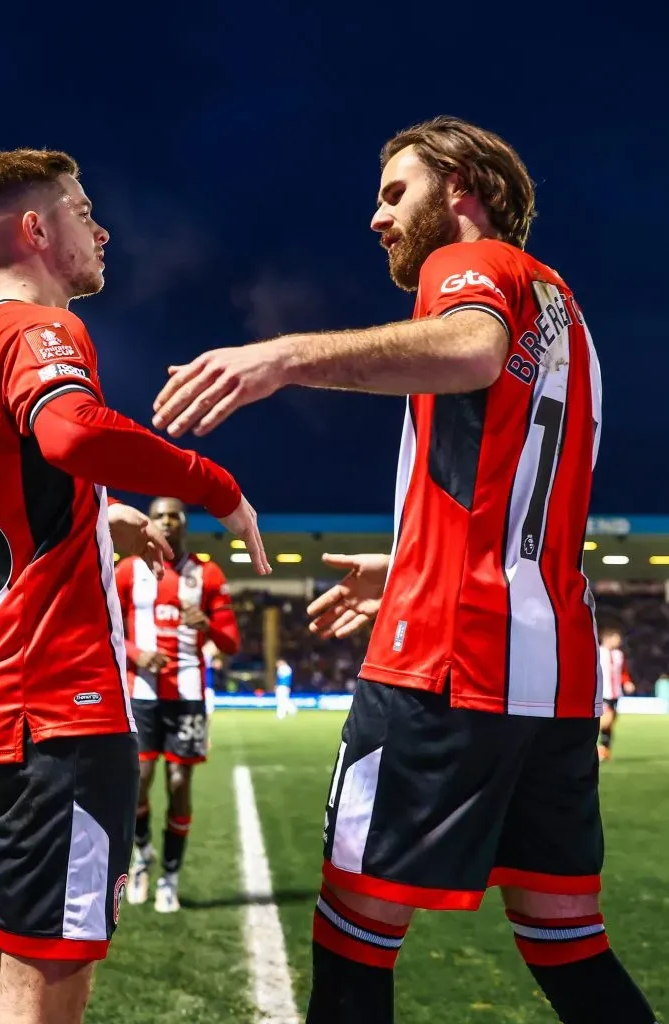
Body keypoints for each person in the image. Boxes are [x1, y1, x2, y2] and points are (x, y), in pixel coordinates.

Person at [151, 117, 657, 1023]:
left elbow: (470, 348)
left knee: (353, 938)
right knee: (568, 943)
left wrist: (282, 358)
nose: (377, 218)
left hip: (447, 662)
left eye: (395, 193)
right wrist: (408, 560)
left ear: (460, 185)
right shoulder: (567, 311)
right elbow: (523, 502)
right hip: (555, 680)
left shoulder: (467, 269)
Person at [0, 147, 270, 1024]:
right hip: (59, 717)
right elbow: (71, 432)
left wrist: (92, 516)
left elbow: (4, 498)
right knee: (43, 996)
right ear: (35, 231)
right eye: (81, 210)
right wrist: (213, 484)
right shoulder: (42, 330)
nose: (102, 228)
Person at [115, 497, 240, 913]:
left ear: (185, 524)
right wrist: (135, 653)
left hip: (188, 695)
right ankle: (142, 854)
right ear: (148, 523)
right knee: (138, 780)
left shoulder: (207, 574)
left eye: (174, 516)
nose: (166, 522)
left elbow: (231, 641)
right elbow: (104, 624)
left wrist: (209, 625)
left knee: (179, 783)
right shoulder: (128, 570)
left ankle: (170, 874)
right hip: (142, 691)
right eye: (159, 516)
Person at [597, 626, 634, 762]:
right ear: (608, 638)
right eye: (616, 638)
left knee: (611, 723)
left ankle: (605, 749)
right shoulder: (598, 652)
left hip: (615, 693)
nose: (619, 641)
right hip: (602, 693)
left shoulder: (619, 654)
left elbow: (623, 671)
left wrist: (627, 682)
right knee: (606, 719)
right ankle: (584, 742)